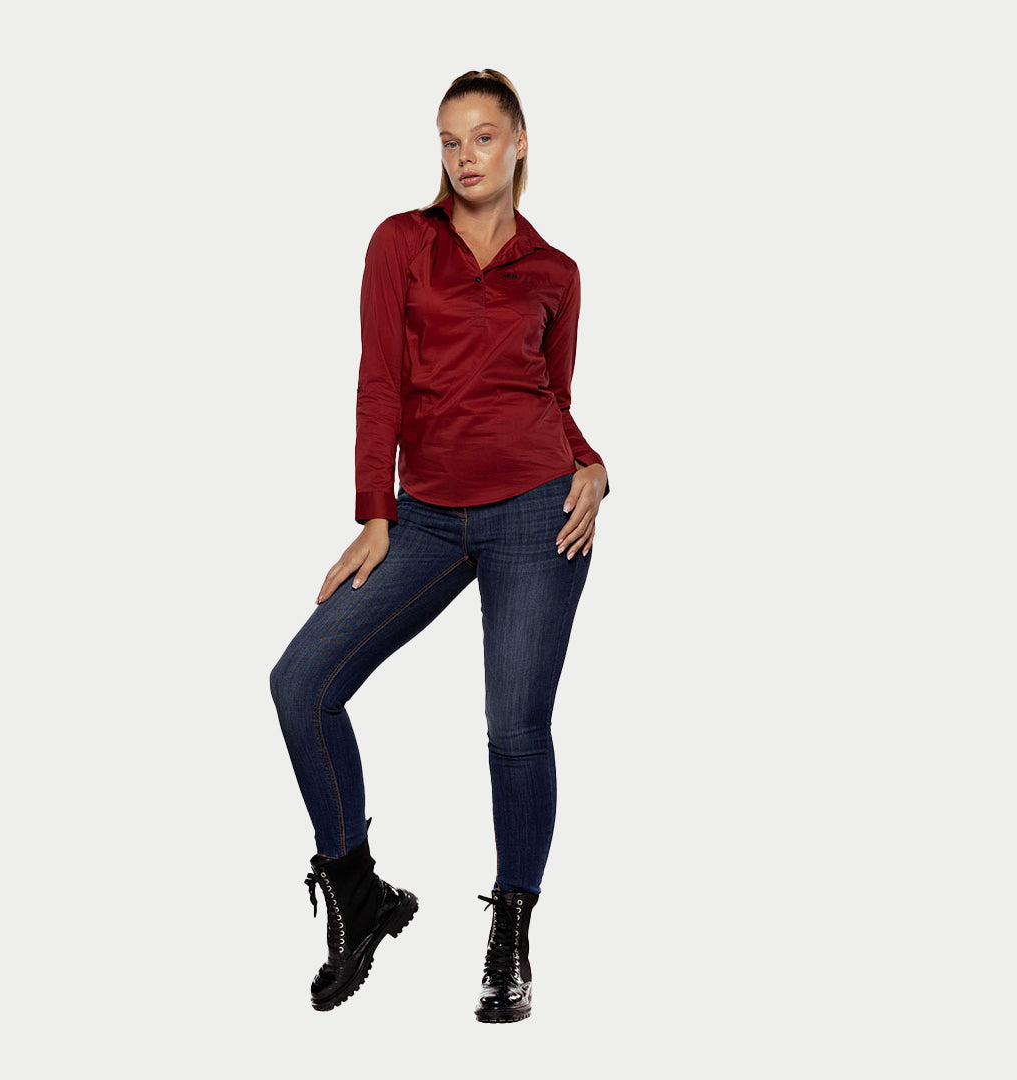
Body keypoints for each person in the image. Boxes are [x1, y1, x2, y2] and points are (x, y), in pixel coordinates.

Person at [269, 68, 610, 1023]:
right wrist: (374, 512)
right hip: (422, 517)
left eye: (483, 137)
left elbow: (551, 396)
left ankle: (511, 934)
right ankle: (359, 894)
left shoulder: (555, 272)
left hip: (538, 511)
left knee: (515, 729)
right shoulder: (401, 243)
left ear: (520, 144)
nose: (465, 156)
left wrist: (592, 465)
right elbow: (379, 381)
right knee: (302, 684)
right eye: (450, 141)